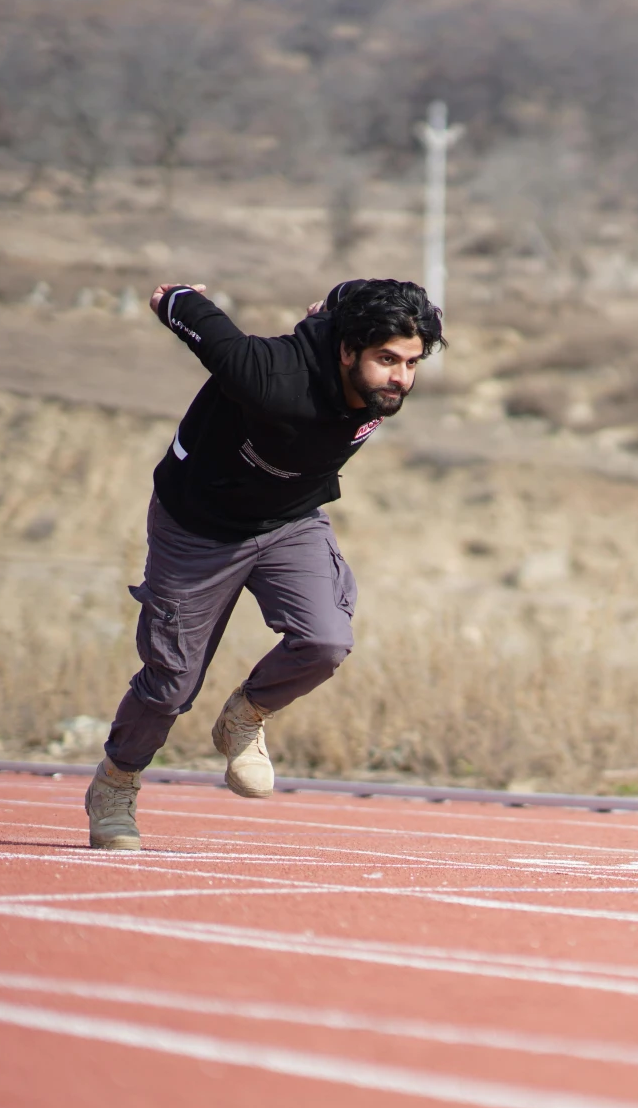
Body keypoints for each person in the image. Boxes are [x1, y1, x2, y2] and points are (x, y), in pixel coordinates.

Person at [86, 277, 440, 850]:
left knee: (325, 640)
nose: (400, 377)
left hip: (289, 522)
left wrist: (336, 303)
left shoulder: (378, 382)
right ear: (347, 350)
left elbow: (349, 292)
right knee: (171, 684)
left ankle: (244, 715)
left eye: (411, 362)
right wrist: (176, 297)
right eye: (386, 360)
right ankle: (116, 781)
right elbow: (204, 328)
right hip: (197, 528)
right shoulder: (271, 375)